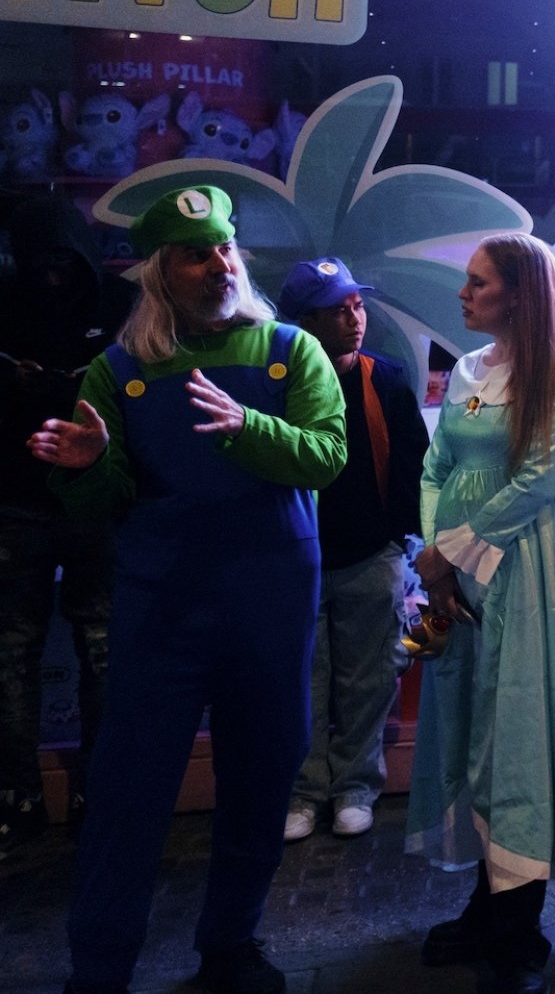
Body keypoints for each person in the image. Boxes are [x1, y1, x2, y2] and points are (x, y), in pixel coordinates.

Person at [32, 185, 345, 994]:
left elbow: (325, 457)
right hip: (161, 610)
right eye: (196, 255)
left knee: (261, 780)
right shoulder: (117, 371)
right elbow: (99, 502)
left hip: (269, 609)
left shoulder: (290, 351)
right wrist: (86, 465)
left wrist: (248, 427)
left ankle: (231, 947)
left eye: (225, 249)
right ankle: (99, 971)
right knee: (127, 794)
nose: (219, 265)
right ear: (161, 273)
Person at [406, 234, 555, 994]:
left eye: (478, 283)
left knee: (518, 736)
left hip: (527, 572)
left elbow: (538, 480)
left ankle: (516, 922)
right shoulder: (468, 370)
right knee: (469, 729)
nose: (464, 294)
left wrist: (451, 552)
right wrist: (435, 556)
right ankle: (486, 903)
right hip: (457, 577)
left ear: (521, 292)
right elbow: (436, 467)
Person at [277, 257, 428, 844]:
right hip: (296, 559)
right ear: (304, 321)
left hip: (371, 552)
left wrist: (402, 540)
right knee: (303, 681)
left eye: (357, 305)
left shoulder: (384, 378)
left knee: (371, 680)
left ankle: (356, 788)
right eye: (337, 310)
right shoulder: (277, 380)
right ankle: (304, 791)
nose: (354, 318)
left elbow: (413, 463)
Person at [0, 195, 127, 853]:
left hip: (88, 500)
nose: (52, 276)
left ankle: (86, 794)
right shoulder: (14, 303)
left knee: (96, 647)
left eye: (63, 263)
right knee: (16, 650)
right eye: (41, 265)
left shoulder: (119, 302)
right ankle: (24, 796)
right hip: (21, 499)